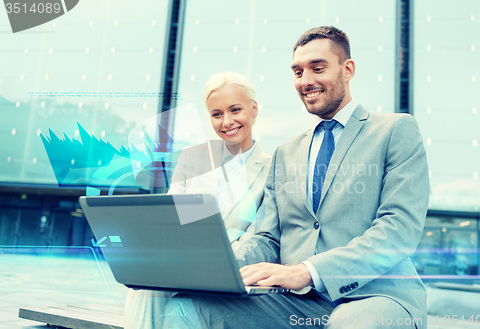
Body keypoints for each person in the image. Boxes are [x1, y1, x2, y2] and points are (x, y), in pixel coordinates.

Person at [162, 26, 430, 329]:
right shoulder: (285, 154)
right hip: (297, 301)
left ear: (348, 69)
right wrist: (210, 266)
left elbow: (398, 231)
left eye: (318, 68)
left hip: (377, 297)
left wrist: (308, 270)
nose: (306, 81)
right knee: (185, 307)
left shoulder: (395, 131)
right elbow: (266, 237)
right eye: (298, 72)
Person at [123, 71, 271, 328]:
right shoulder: (192, 159)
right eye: (216, 114)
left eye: (235, 110)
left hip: (232, 272)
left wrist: (211, 264)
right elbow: (171, 220)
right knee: (146, 285)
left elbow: (260, 237)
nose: (227, 121)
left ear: (254, 108)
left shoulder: (273, 169)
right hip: (182, 264)